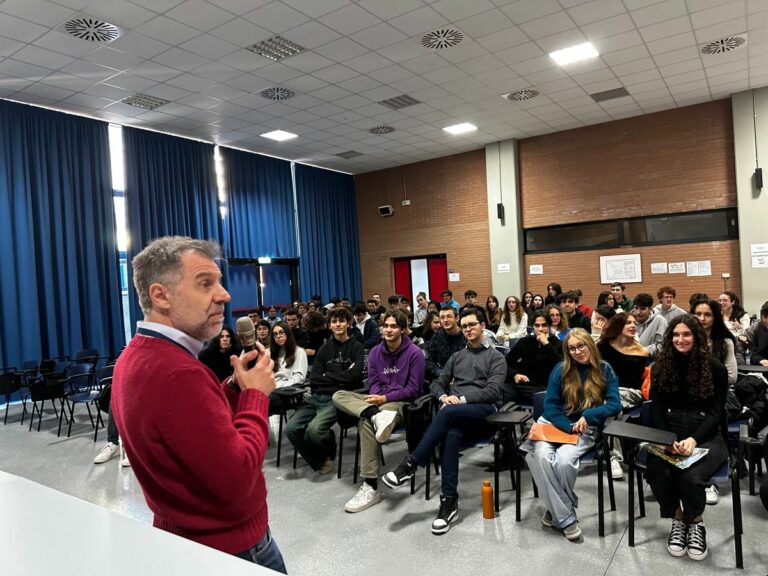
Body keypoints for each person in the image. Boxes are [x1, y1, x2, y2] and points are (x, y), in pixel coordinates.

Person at [111, 236, 285, 572]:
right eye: (206, 284)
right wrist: (256, 396)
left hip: (185, 541)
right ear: (160, 295)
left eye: (219, 282)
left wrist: (235, 388)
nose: (225, 295)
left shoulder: (134, 358)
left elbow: (193, 435)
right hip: (232, 550)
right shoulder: (178, 373)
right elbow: (237, 479)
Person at [381, 309, 506, 535]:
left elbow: (493, 391)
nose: (468, 329)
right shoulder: (457, 357)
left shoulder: (495, 357)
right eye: (465, 326)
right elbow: (437, 383)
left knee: (448, 414)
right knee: (450, 434)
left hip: (486, 414)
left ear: (482, 326)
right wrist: (442, 396)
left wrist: (461, 399)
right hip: (457, 413)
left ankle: (410, 464)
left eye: (472, 325)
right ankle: (449, 503)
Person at [525, 328, 621, 541]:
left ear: (590, 345)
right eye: (572, 348)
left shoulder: (605, 369)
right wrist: (567, 428)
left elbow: (615, 404)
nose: (577, 351)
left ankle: (555, 510)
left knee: (564, 461)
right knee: (539, 457)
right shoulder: (561, 369)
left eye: (581, 346)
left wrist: (589, 414)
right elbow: (550, 406)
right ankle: (567, 516)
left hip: (585, 427)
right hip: (554, 424)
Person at [646, 316, 728, 561]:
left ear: (697, 337)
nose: (680, 340)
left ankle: (696, 522)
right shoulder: (659, 367)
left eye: (686, 334)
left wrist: (693, 439)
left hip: (706, 434)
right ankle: (679, 519)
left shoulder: (716, 368)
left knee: (690, 477)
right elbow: (657, 409)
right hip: (669, 432)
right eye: (675, 335)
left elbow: (716, 412)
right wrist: (666, 439)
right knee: (657, 473)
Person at [332, 310, 425, 513]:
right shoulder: (375, 352)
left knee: (364, 423)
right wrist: (375, 403)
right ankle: (374, 414)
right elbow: (373, 382)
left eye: (393, 326)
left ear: (402, 329)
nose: (388, 330)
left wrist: (385, 399)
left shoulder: (415, 353)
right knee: (339, 395)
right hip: (376, 403)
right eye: (386, 326)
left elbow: (414, 389)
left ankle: (370, 485)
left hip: (400, 403)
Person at [285, 306, 364, 474]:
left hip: (338, 398)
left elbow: (354, 377)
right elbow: (313, 378)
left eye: (341, 321)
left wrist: (327, 375)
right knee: (291, 428)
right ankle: (320, 457)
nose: (337, 325)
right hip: (316, 397)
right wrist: (341, 375)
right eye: (334, 322)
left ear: (349, 323)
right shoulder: (324, 349)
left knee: (314, 430)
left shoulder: (356, 347)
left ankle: (325, 451)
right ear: (329, 325)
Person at [598, 312, 650, 479]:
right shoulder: (603, 346)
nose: (633, 325)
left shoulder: (642, 351)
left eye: (634, 322)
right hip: (608, 390)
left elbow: (636, 380)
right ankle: (613, 454)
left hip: (632, 392)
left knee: (611, 403)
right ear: (618, 326)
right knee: (613, 408)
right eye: (628, 322)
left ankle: (613, 456)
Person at [503, 310, 562, 404]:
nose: (541, 329)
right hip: (523, 383)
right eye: (537, 325)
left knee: (542, 396)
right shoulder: (525, 342)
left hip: (545, 385)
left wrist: (546, 344)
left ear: (550, 326)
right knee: (504, 389)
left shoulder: (558, 344)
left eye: (544, 325)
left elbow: (561, 367)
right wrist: (515, 375)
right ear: (533, 327)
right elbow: (506, 363)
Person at [424, 306, 466, 381]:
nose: (445, 320)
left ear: (457, 318)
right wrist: (441, 373)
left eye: (449, 316)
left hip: (463, 378)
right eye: (442, 317)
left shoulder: (466, 336)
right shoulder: (437, 336)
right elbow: (428, 361)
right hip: (442, 377)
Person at [633, 293, 667, 357]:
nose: (638, 312)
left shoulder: (660, 320)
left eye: (642, 309)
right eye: (636, 308)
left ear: (650, 309)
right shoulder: (628, 320)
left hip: (651, 361)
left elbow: (661, 345)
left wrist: (641, 351)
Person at [750, 301, 768, 365]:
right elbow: (753, 355)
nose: (766, 321)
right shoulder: (759, 329)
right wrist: (761, 360)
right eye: (765, 317)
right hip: (763, 369)